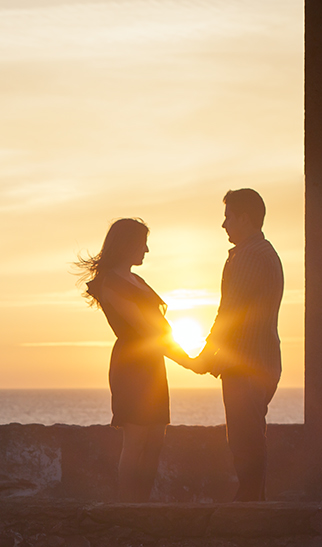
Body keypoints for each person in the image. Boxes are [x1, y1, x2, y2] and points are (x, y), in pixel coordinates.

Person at [78, 218, 198, 502]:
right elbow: (144, 328)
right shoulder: (109, 283)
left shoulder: (138, 281)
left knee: (156, 437)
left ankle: (142, 504)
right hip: (132, 364)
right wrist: (190, 361)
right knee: (136, 439)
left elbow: (159, 328)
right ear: (127, 244)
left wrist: (186, 357)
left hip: (154, 364)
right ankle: (128, 507)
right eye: (142, 243)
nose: (146, 250)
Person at [189, 188, 284, 502]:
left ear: (244, 218)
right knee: (250, 433)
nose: (224, 225)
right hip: (261, 359)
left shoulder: (249, 256)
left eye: (228, 217)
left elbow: (229, 311)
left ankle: (250, 506)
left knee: (245, 438)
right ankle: (252, 501)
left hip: (247, 363)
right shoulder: (263, 253)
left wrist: (205, 355)